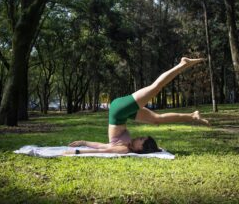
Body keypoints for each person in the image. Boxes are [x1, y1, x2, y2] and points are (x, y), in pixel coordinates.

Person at [63, 57, 209, 155]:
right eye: (143, 138)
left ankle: (182, 64)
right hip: (122, 113)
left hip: (120, 111)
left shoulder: (123, 149)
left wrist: (79, 149)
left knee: (156, 88)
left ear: (139, 148)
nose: (140, 137)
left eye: (142, 140)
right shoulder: (127, 146)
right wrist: (82, 143)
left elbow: (102, 149)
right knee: (157, 119)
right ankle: (193, 116)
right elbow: (102, 146)